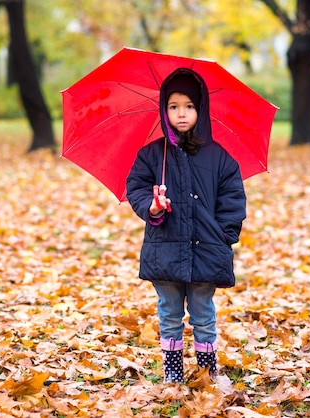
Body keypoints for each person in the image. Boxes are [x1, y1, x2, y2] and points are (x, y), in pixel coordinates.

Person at [126, 68, 247, 383]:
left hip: (206, 249)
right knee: (169, 315)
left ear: (201, 109)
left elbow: (233, 198)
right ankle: (173, 375)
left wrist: (223, 235)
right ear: (164, 110)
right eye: (174, 106)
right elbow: (136, 186)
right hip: (164, 249)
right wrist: (151, 207)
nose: (182, 113)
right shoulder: (153, 154)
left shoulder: (219, 157)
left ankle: (207, 372)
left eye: (189, 106)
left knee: (203, 314)